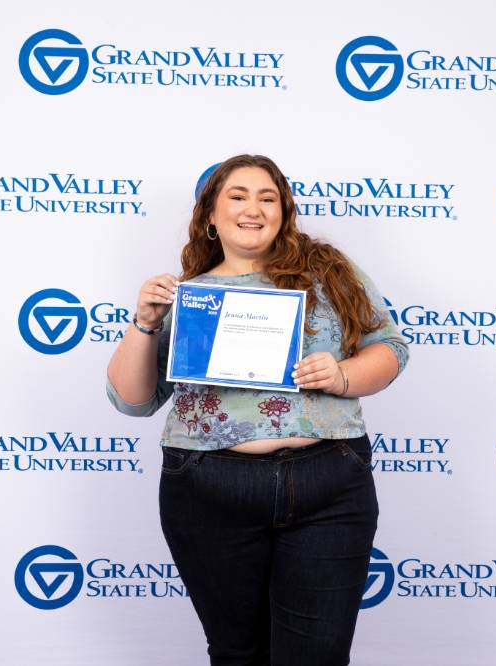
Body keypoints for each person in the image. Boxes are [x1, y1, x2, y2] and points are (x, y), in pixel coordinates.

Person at [106, 154, 408, 666]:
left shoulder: (327, 272)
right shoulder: (188, 296)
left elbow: (390, 347)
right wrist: (146, 322)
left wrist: (342, 375)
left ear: (283, 213)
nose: (254, 208)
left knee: (316, 657)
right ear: (210, 215)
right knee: (237, 654)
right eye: (238, 196)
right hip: (209, 490)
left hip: (328, 485)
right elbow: (132, 400)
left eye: (268, 198)